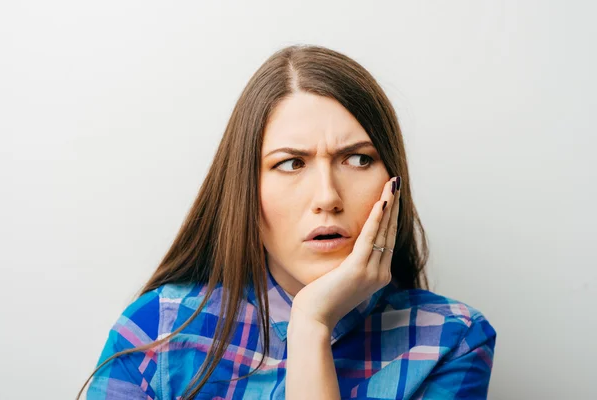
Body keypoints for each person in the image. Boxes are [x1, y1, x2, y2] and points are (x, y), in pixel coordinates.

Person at [78, 44, 497, 400]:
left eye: (358, 159)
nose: (327, 197)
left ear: (392, 180)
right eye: (292, 163)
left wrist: (310, 325)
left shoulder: (450, 341)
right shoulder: (159, 330)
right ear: (244, 189)